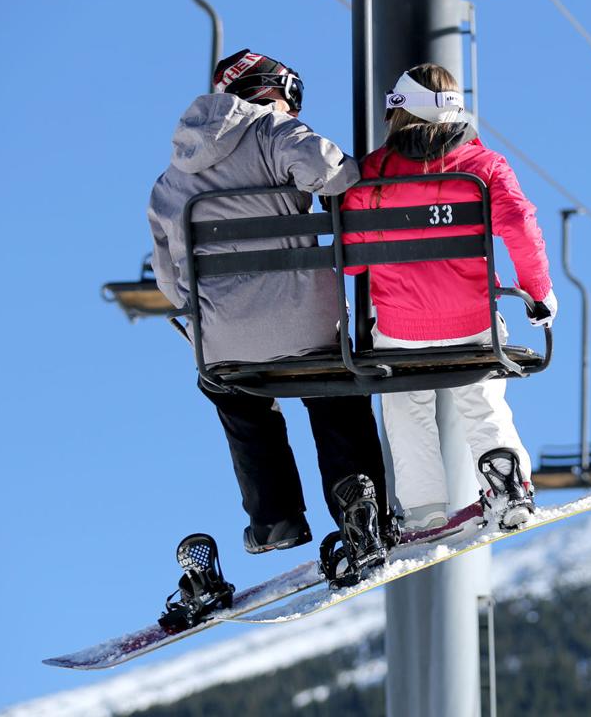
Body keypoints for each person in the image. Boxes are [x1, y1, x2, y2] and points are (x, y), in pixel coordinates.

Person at [148, 48, 393, 558]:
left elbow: (170, 280)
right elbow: (336, 174)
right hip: (307, 324)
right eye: (291, 96)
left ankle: (275, 518)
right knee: (335, 389)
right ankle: (359, 504)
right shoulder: (271, 131)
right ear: (270, 90)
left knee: (233, 393)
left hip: (225, 338)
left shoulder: (171, 179)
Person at [341, 63, 557, 532]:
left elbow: (353, 262)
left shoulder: (372, 174)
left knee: (405, 406)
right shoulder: (485, 166)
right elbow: (519, 224)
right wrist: (539, 293)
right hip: (472, 323)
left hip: (400, 329)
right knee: (482, 400)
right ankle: (507, 484)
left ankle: (422, 511)